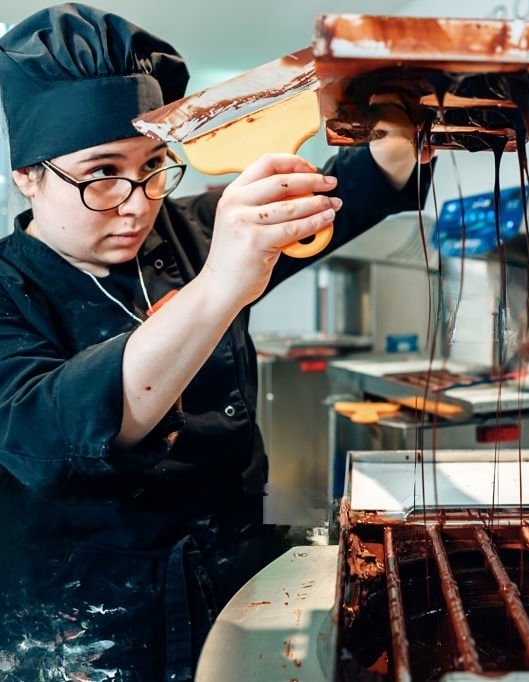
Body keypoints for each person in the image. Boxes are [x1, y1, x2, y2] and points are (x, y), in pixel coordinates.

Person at [0, 3, 434, 680]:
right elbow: (51, 437)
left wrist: (394, 127)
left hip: (238, 579)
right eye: (101, 173)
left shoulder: (186, 234)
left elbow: (349, 191)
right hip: (88, 632)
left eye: (152, 167)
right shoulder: (8, 289)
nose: (137, 202)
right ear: (27, 175)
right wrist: (221, 283)